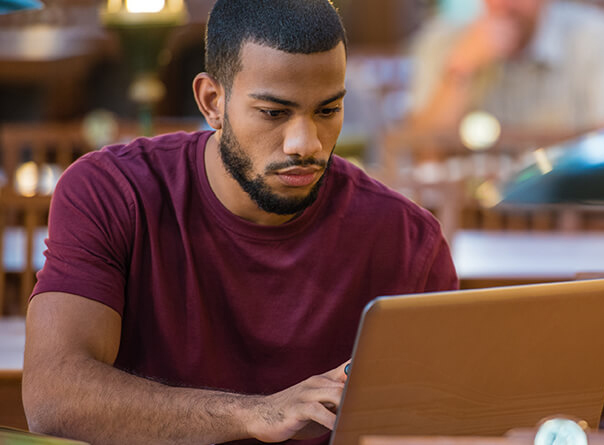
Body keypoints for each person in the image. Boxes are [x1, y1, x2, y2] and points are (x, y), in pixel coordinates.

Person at [21, 0, 458, 444]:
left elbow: (445, 420)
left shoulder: (408, 240)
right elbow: (53, 397)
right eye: (274, 112)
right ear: (213, 101)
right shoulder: (113, 191)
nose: (304, 144)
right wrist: (256, 414)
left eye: (327, 111)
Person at [407, 0, 604, 139]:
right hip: (470, 215)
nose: (504, 4)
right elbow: (421, 147)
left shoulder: (598, 35)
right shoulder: (443, 41)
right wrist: (461, 70)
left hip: (572, 212)